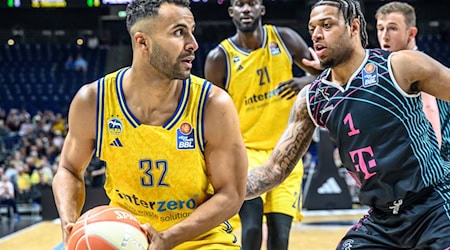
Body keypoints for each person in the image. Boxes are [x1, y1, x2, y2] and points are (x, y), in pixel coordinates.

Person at [245, 0, 450, 249]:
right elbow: (275, 170)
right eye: (312, 28)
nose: (317, 35)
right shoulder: (313, 98)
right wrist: (223, 190)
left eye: (327, 25)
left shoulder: (399, 66)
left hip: (435, 205)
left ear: (354, 27)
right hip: (382, 219)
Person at [52, 0, 248, 249]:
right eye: (179, 32)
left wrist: (168, 238)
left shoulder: (213, 104)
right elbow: (68, 170)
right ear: (142, 42)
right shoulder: (93, 101)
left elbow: (231, 193)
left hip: (200, 238)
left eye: (191, 31)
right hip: (124, 235)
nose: (193, 44)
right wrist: (70, 225)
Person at [204, 1, 321, 249]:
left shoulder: (285, 39)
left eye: (252, 3)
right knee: (252, 227)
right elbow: (210, 115)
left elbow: (322, 74)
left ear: (262, 9)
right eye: (239, 4)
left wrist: (305, 82)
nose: (246, 9)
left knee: (280, 237)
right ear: (231, 12)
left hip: (287, 152)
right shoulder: (219, 58)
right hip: (245, 154)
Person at [375, 1, 442, 147]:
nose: (384, 36)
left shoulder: (416, 64)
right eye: (380, 28)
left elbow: (429, 109)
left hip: (427, 159)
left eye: (392, 28)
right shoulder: (390, 66)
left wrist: (434, 162)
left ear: (411, 33)